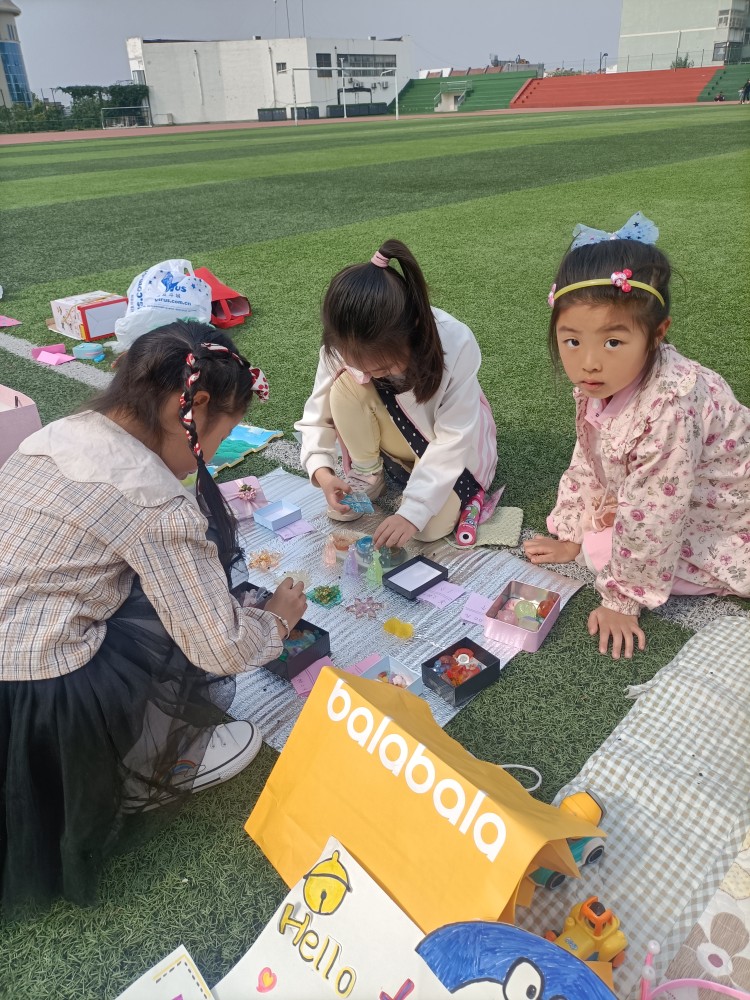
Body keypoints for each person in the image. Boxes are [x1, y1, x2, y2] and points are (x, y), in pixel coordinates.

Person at [0, 320, 307, 914]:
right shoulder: (154, 502)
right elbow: (218, 646)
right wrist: (277, 619)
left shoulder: (56, 434)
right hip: (44, 699)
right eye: (221, 436)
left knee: (155, 585)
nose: (208, 458)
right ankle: (145, 768)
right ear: (185, 408)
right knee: (176, 609)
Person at [524, 213, 750, 660]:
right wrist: (570, 531)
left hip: (725, 511)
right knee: (594, 542)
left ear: (657, 334)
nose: (589, 362)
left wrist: (621, 601)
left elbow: (657, 514)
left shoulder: (669, 407)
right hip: (677, 492)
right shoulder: (604, 381)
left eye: (612, 342)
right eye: (572, 341)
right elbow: (587, 456)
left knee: (603, 552)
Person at [295, 239, 498, 548]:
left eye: (383, 367)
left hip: (446, 448)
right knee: (345, 385)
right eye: (361, 366)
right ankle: (368, 473)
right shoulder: (340, 345)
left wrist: (412, 512)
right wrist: (321, 471)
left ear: (413, 330)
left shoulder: (454, 341)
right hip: (398, 439)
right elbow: (317, 415)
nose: (372, 375)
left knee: (425, 530)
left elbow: (454, 438)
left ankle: (422, 487)